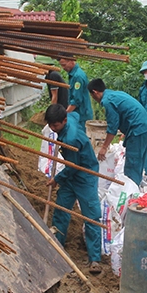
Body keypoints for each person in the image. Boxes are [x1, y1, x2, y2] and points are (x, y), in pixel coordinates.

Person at [44, 104, 102, 274]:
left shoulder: (71, 138)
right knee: (61, 209)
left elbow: (73, 166)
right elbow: (76, 113)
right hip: (71, 175)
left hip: (84, 175)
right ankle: (56, 248)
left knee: (91, 216)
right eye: (51, 126)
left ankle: (95, 259)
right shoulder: (71, 119)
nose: (53, 129)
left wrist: (57, 179)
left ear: (64, 120)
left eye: (56, 126)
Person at [88, 78, 147, 187]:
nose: (94, 99)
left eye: (92, 96)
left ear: (95, 92)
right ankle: (134, 189)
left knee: (132, 165)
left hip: (137, 129)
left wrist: (104, 147)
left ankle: (129, 193)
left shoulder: (107, 101)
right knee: (138, 163)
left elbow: (112, 127)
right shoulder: (115, 95)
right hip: (145, 127)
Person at [58, 55, 93, 123]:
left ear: (71, 61)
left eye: (64, 65)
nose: (63, 68)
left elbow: (76, 100)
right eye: (61, 65)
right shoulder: (73, 75)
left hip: (81, 115)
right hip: (78, 114)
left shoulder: (78, 77)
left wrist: (65, 114)